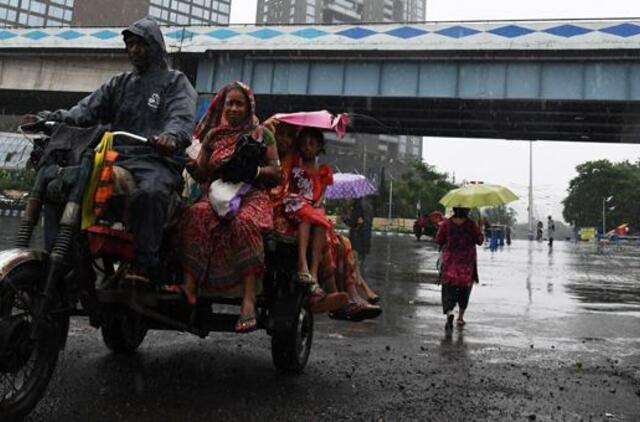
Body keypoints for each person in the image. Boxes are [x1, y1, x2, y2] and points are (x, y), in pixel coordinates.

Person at [22, 17, 197, 282]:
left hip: (155, 161)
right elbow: (84, 111)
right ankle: (65, 261)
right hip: (115, 158)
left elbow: (181, 117)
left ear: (156, 46)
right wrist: (50, 118)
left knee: (149, 193)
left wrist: (171, 136)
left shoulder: (175, 82)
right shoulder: (120, 83)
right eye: (130, 44)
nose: (134, 49)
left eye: (141, 44)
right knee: (61, 186)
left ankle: (143, 265)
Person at [176, 81, 281, 333]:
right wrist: (191, 166)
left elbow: (276, 173)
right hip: (216, 194)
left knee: (243, 222)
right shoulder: (213, 135)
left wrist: (253, 170)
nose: (233, 108)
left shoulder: (261, 134)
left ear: (248, 107)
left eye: (239, 104)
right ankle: (190, 287)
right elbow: (202, 174)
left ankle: (248, 300)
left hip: (250, 194)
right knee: (194, 215)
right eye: (229, 103)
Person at [285, 127, 333, 285]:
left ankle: (313, 272)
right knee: (306, 217)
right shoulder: (294, 166)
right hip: (296, 204)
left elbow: (322, 195)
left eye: (311, 144)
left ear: (319, 147)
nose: (307, 147)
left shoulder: (323, 170)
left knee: (320, 223)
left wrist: (317, 204)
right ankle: (302, 262)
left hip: (313, 208)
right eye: (304, 144)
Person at [436, 207, 484, 330]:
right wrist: (481, 229)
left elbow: (439, 240)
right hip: (467, 264)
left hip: (450, 262)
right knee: (465, 290)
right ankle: (461, 317)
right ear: (467, 211)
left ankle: (449, 312)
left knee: (448, 289)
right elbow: (479, 241)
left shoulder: (446, 224)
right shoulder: (471, 225)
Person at [347, 197, 374, 264]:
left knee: (354, 265)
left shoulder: (357, 207)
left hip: (356, 240)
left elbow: (352, 223)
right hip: (366, 239)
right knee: (361, 263)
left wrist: (345, 219)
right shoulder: (369, 207)